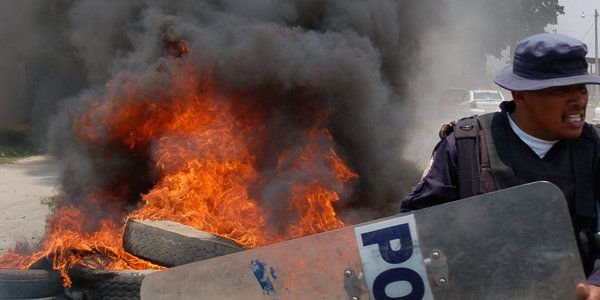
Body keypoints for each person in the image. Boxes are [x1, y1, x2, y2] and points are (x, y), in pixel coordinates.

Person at [401, 33, 600, 300]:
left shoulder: (595, 147)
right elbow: (416, 232)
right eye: (561, 90)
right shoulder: (465, 147)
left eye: (581, 89)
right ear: (520, 94)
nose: (578, 101)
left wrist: (597, 284)